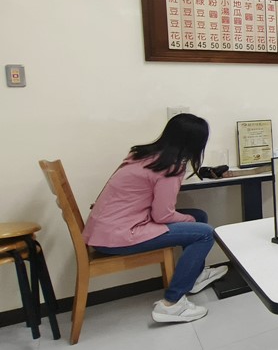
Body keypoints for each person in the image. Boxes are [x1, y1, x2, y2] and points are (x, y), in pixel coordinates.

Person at [82, 114, 227, 323]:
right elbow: (163, 215)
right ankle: (172, 303)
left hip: (105, 229)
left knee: (199, 216)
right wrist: (189, 221)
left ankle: (195, 276)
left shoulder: (142, 155)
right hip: (120, 235)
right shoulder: (170, 167)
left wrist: (190, 219)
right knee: (204, 233)